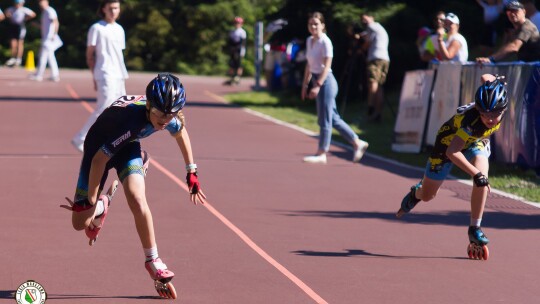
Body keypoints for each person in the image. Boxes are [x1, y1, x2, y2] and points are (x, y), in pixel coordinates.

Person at [61, 73, 207, 299]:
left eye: (170, 115)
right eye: (160, 114)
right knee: (80, 223)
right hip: (98, 151)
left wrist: (192, 171)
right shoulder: (132, 121)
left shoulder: (166, 112)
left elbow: (181, 133)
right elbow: (100, 160)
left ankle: (153, 260)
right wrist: (91, 200)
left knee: (137, 199)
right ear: (149, 106)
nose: (164, 120)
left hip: (128, 148)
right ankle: (102, 205)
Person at [396, 73, 508, 259]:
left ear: (503, 108)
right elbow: (452, 152)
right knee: (428, 195)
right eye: (484, 114)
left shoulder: (497, 97)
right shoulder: (471, 122)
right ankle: (417, 192)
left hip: (473, 143)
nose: (489, 119)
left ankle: (475, 228)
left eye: (494, 115)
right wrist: (475, 174)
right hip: (447, 147)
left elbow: (484, 76)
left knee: (482, 177)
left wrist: (493, 78)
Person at [301, 12, 369, 164]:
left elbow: (327, 67)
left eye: (316, 24)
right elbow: (309, 65)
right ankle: (357, 142)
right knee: (332, 118)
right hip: (316, 82)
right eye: (310, 24)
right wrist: (305, 84)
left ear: (323, 26)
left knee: (325, 120)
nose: (313, 27)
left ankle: (322, 152)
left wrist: (317, 85)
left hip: (326, 82)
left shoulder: (325, 42)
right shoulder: (309, 41)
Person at [72, 0, 128, 152]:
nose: (114, 11)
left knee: (122, 108)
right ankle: (81, 138)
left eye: (116, 8)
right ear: (103, 9)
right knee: (104, 107)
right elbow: (90, 54)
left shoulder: (119, 29)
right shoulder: (96, 28)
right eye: (110, 8)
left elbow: (119, 54)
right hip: (104, 72)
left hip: (119, 74)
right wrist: (94, 76)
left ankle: (115, 141)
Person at [360, 13, 390, 123]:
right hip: (385, 58)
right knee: (379, 86)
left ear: (372, 17)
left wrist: (360, 49)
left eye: (365, 18)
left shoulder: (371, 26)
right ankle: (377, 114)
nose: (364, 21)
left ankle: (370, 107)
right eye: (362, 19)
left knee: (373, 82)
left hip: (375, 58)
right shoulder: (379, 28)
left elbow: (367, 42)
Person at [29, 0, 61, 82]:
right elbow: (44, 26)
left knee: (43, 56)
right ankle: (55, 75)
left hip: (49, 38)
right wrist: (36, 25)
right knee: (50, 57)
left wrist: (54, 34)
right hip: (46, 38)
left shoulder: (49, 10)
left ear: (46, 1)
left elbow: (55, 22)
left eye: (42, 1)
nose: (40, 3)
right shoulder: (44, 12)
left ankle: (39, 75)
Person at [4, 0, 35, 67]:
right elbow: (6, 12)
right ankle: (13, 58)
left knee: (20, 43)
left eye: (18, 3)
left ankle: (18, 59)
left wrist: (26, 18)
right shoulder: (11, 9)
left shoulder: (24, 9)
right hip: (13, 26)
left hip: (20, 26)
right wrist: (8, 15)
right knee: (13, 42)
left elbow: (33, 14)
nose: (17, 4)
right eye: (16, 3)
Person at [225, 16, 247, 85]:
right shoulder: (233, 31)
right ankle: (232, 78)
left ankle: (237, 78)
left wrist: (243, 51)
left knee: (238, 65)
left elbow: (243, 43)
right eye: (236, 23)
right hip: (232, 51)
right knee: (232, 65)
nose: (237, 24)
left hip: (238, 51)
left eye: (238, 23)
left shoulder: (242, 32)